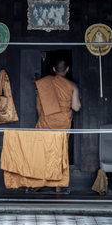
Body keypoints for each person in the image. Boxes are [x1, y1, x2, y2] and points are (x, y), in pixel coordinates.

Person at [33, 58, 81, 193]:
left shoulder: (44, 83)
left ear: (54, 69)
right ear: (67, 70)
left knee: (42, 153)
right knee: (60, 153)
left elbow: (38, 106)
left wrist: (46, 115)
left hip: (45, 123)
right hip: (62, 126)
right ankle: (58, 184)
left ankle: (38, 183)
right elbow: (76, 108)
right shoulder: (72, 86)